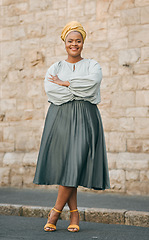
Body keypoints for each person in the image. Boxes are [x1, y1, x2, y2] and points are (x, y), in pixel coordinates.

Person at [33, 21, 110, 233]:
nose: (74, 44)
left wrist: (66, 83)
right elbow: (52, 92)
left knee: (75, 160)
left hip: (86, 117)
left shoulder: (93, 65)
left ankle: (55, 212)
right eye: (70, 41)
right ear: (64, 42)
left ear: (83, 43)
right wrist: (78, 89)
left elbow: (92, 84)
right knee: (68, 164)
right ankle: (74, 214)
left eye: (78, 41)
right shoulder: (55, 67)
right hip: (60, 118)